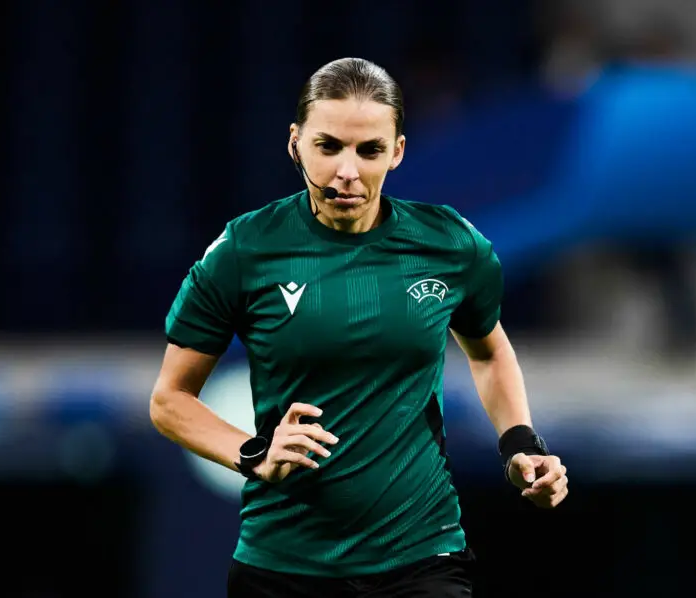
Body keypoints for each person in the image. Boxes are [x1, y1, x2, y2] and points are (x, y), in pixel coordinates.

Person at [149, 57, 569, 598]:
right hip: (282, 566)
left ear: (397, 151)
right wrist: (253, 453)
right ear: (295, 143)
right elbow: (169, 400)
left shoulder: (451, 244)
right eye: (328, 147)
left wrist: (519, 444)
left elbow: (488, 353)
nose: (347, 171)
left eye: (369, 150)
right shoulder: (243, 250)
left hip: (422, 559)